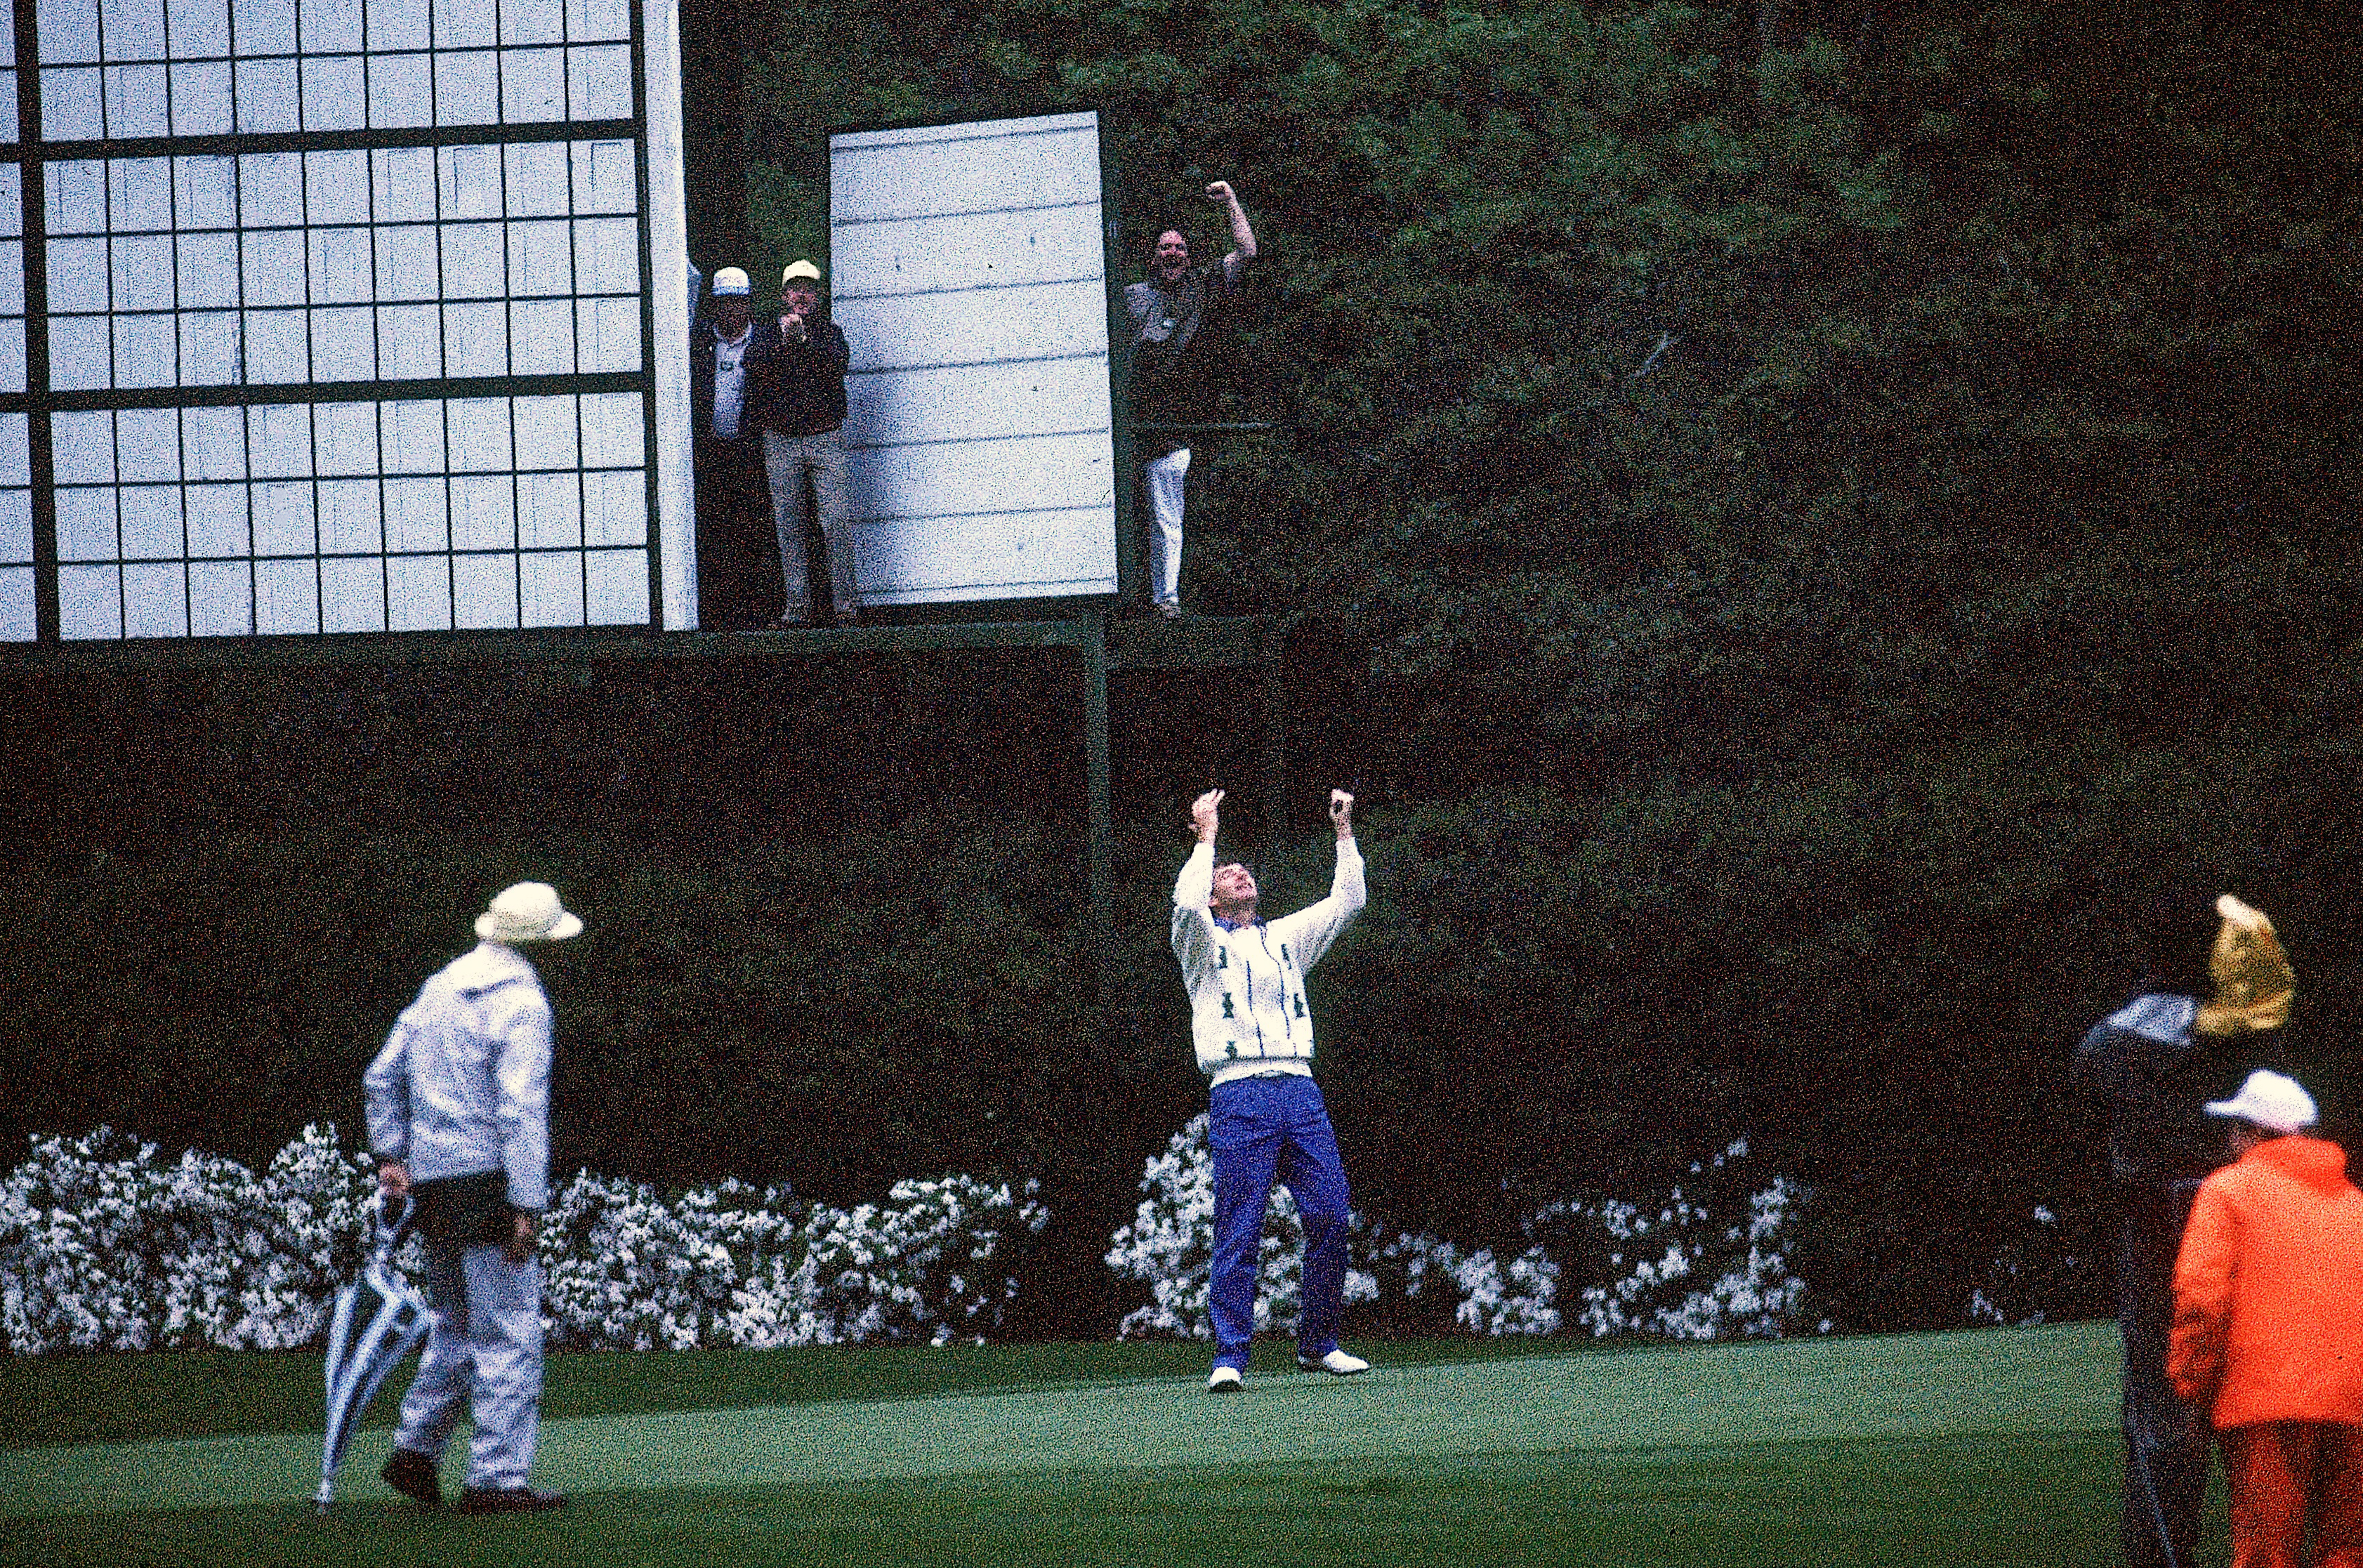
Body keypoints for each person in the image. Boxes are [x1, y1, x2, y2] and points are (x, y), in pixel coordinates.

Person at [2075, 891, 2296, 1568]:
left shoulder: (2134, 1033)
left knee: (2160, 1409)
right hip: (2248, 1219)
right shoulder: (2258, 1029)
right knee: (2260, 1409)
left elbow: (2090, 1064)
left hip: (2162, 1226)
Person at [364, 882, 582, 1515]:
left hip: (434, 1182)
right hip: (488, 1179)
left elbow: (381, 1075)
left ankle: (416, 1446)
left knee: (455, 1322)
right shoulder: (523, 1002)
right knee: (509, 1331)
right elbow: (520, 1108)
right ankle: (496, 1476)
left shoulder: (437, 989)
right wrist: (526, 1202)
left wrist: (393, 1155)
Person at [1172, 785, 1367, 1392]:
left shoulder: (1283, 938)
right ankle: (1229, 1355)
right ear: (1212, 895)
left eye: (1242, 869)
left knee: (1331, 1213)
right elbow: (1183, 905)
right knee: (1240, 1223)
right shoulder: (1200, 944)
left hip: (1299, 1086)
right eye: (1226, 873)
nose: (1239, 873)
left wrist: (1343, 833)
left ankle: (1318, 1343)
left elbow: (1347, 902)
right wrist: (1206, 837)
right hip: (1239, 1090)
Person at [2170, 1070, 2363, 1568]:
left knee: (2264, 1555)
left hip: (2262, 1401)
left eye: (2235, 1127)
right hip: (2353, 1399)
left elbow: (2200, 1299)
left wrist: (2191, 1382)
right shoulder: (2354, 1203)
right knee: (2346, 1550)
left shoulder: (2226, 1190)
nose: (2229, 1139)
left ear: (2253, 1133)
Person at [1125, 180, 1258, 619]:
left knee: (1167, 517)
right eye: (1165, 247)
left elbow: (1247, 254)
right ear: (1153, 255)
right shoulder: (1130, 297)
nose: (1174, 253)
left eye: (1180, 247)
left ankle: (1166, 598)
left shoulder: (1200, 289)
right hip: (1127, 421)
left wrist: (1232, 203)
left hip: (1174, 422)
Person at [751, 258, 860, 627]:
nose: (802, 295)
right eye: (795, 288)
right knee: (789, 525)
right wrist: (785, 341)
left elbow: (838, 363)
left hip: (824, 439)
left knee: (835, 521)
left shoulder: (830, 333)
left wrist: (805, 341)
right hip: (781, 442)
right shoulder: (766, 335)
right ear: (784, 295)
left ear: (819, 295)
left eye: (809, 288)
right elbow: (756, 367)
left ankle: (845, 608)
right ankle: (797, 608)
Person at [687, 266, 781, 628]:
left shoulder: (765, 341)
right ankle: (718, 611)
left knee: (756, 531)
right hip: (710, 454)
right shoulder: (697, 343)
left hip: (753, 452)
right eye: (724, 304)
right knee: (715, 532)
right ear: (714, 306)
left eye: (738, 303)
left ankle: (761, 610)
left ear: (749, 304)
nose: (732, 311)